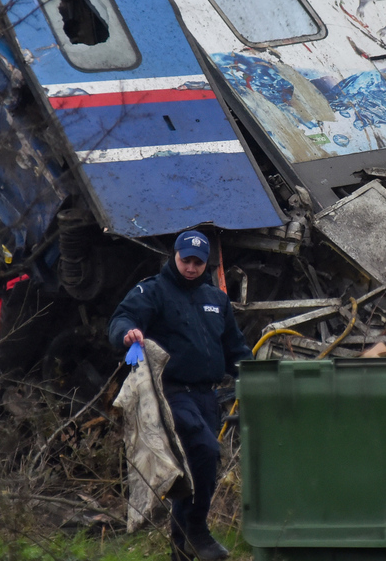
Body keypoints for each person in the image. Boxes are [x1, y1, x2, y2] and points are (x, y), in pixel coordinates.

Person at [108, 230, 250, 561]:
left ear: (206, 264)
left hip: (207, 397)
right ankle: (197, 528)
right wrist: (126, 334)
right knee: (205, 449)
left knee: (193, 471)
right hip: (170, 393)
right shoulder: (153, 291)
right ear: (175, 256)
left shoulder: (217, 300)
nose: (190, 267)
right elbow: (121, 319)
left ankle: (181, 548)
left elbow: (236, 348)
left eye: (197, 262)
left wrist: (255, 377)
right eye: (185, 260)